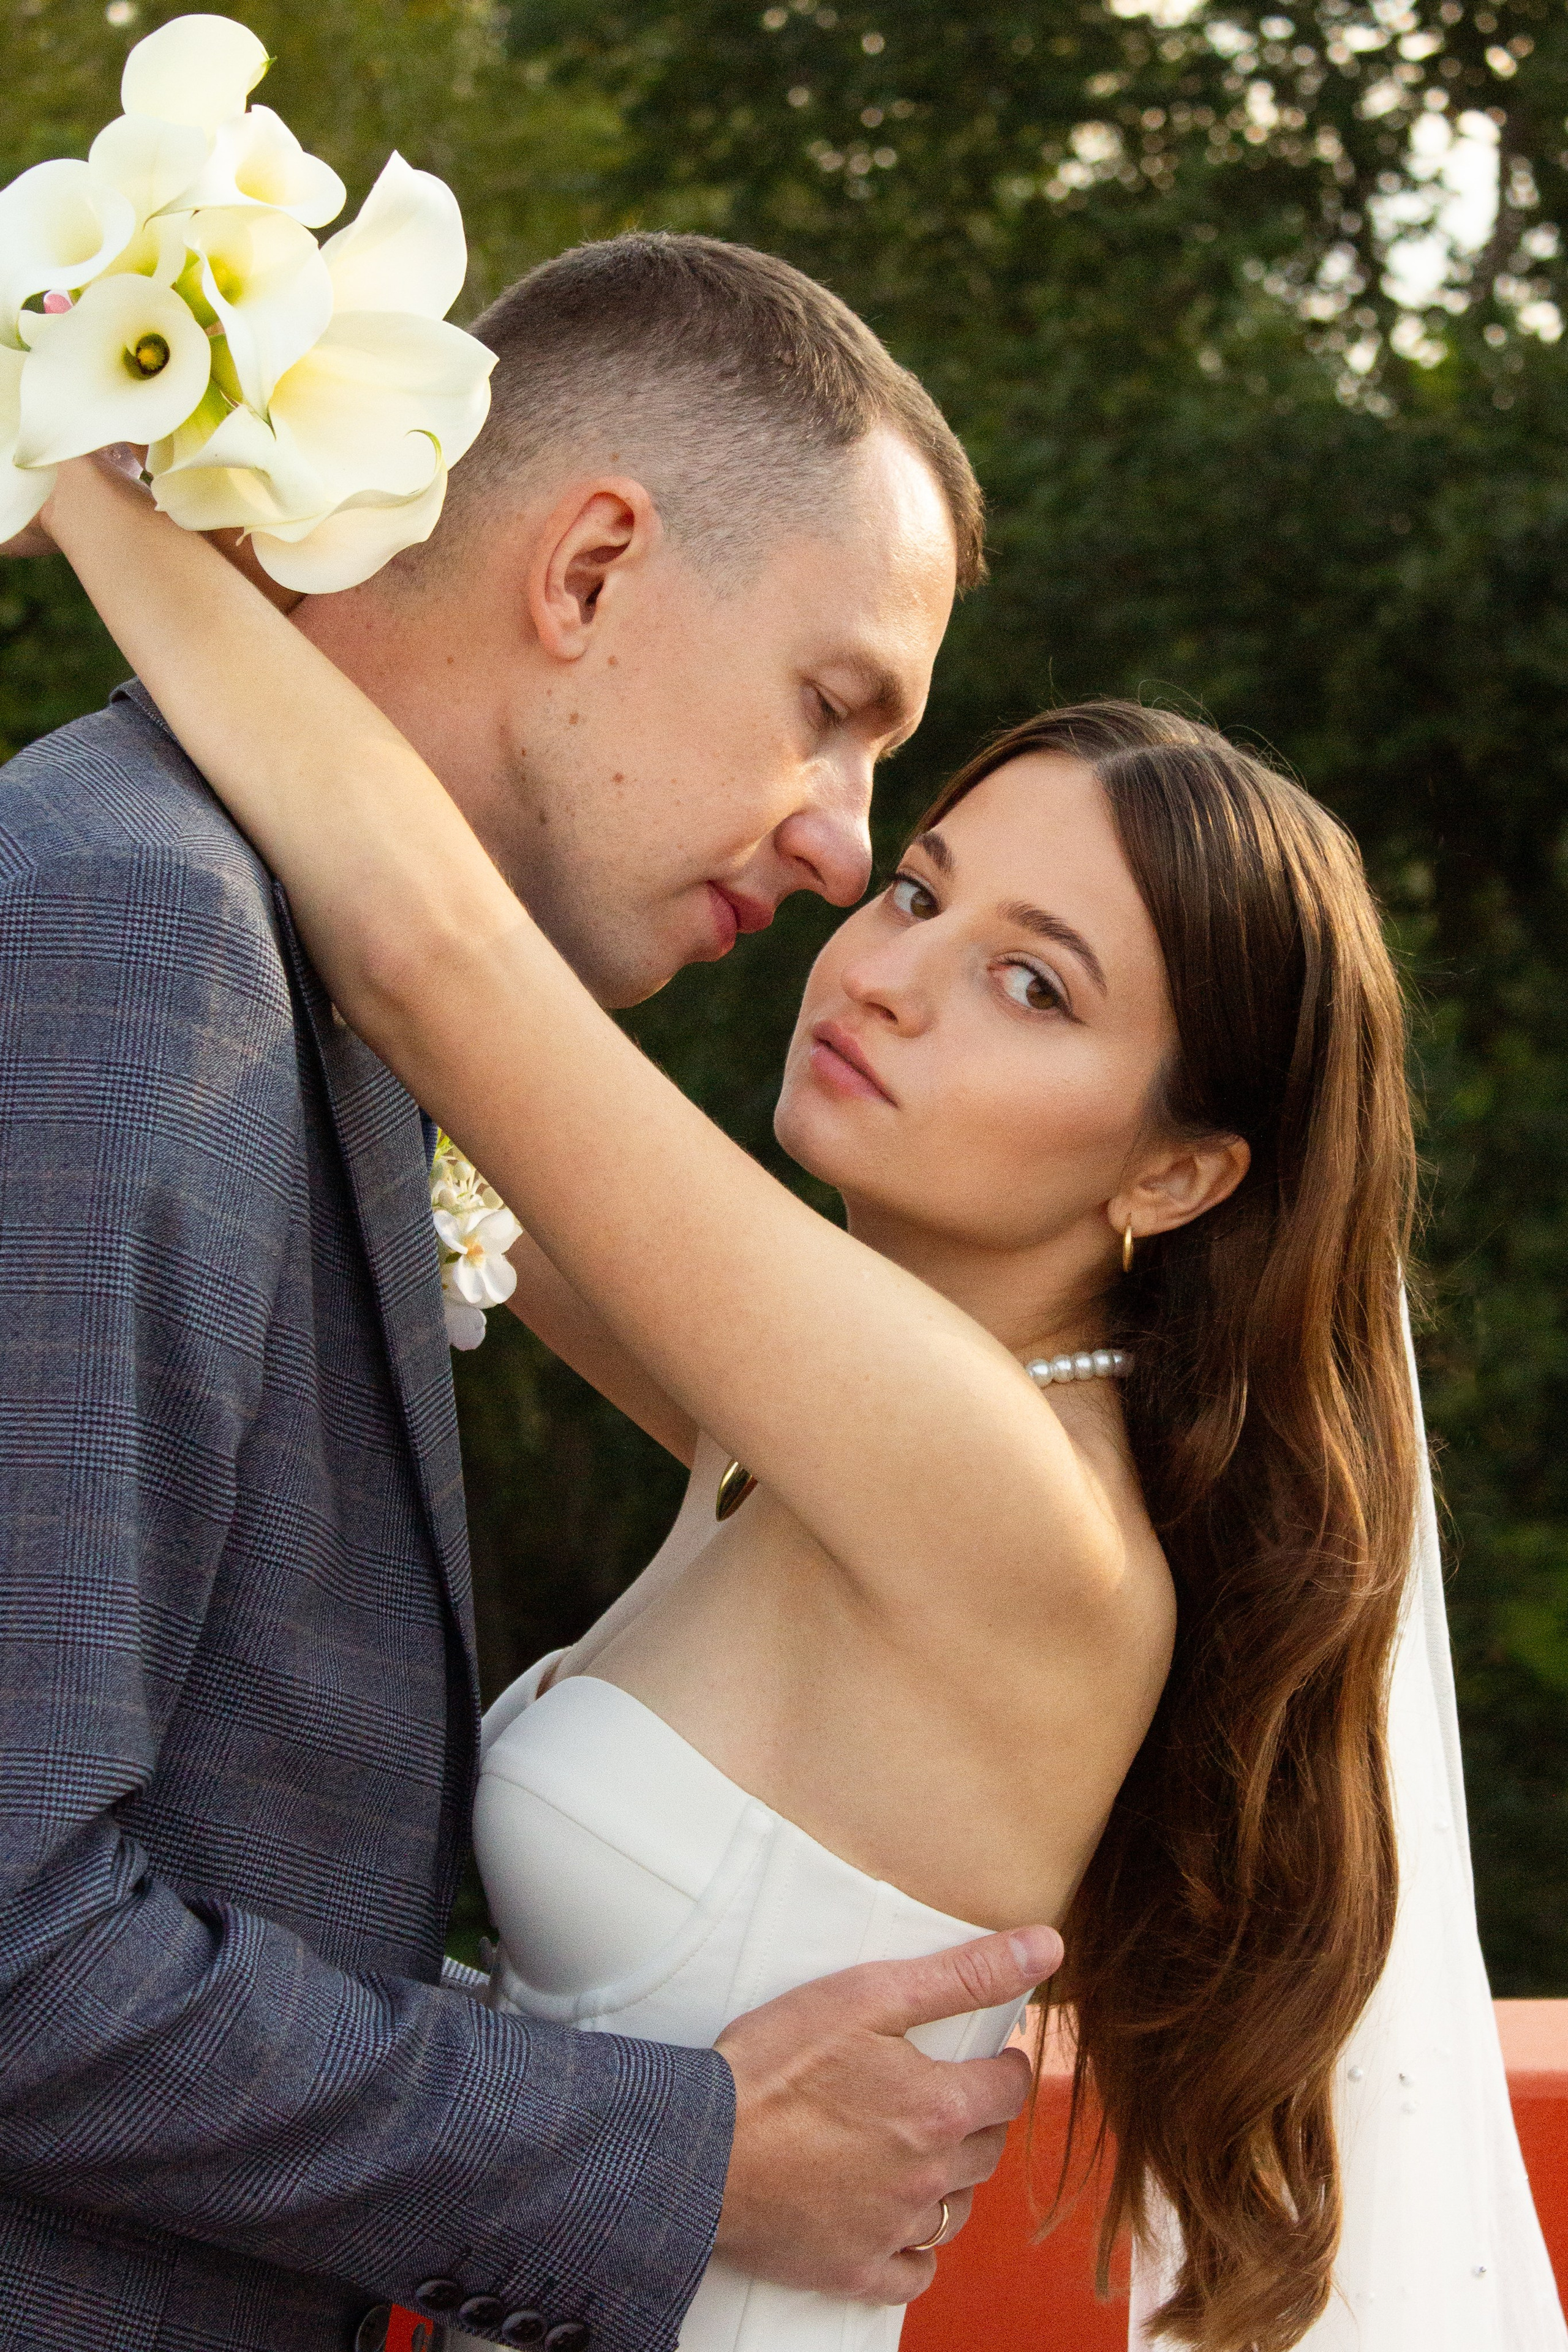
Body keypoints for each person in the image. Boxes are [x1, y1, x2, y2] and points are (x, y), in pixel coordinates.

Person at [32, 435, 1532, 2352]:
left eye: (1036, 987)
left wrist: (85, 473)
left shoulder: (1000, 1492)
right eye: (918, 894)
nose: (892, 974)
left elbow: (437, 965)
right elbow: (459, 1140)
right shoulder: (802, 1438)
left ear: (1178, 1173)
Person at [0, 238, 1060, 2352]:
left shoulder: (270, 961)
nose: (844, 850)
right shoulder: (143, 935)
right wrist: (664, 2153)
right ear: (585, 573)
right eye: (832, 708)